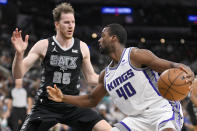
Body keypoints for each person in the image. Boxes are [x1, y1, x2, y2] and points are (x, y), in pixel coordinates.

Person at [47, 23, 195, 131]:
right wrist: (63, 98)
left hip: (161, 110)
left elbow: (171, 66)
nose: (99, 40)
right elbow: (91, 100)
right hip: (136, 120)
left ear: (113, 38)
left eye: (102, 36)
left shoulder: (135, 55)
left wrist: (185, 69)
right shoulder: (106, 75)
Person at [11, 2, 111, 131]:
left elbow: (91, 78)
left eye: (73, 22)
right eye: (66, 22)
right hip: (46, 106)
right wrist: (19, 54)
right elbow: (18, 74)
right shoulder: (43, 45)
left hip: (72, 104)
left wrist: (112, 79)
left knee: (108, 129)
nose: (71, 26)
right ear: (57, 24)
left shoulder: (82, 47)